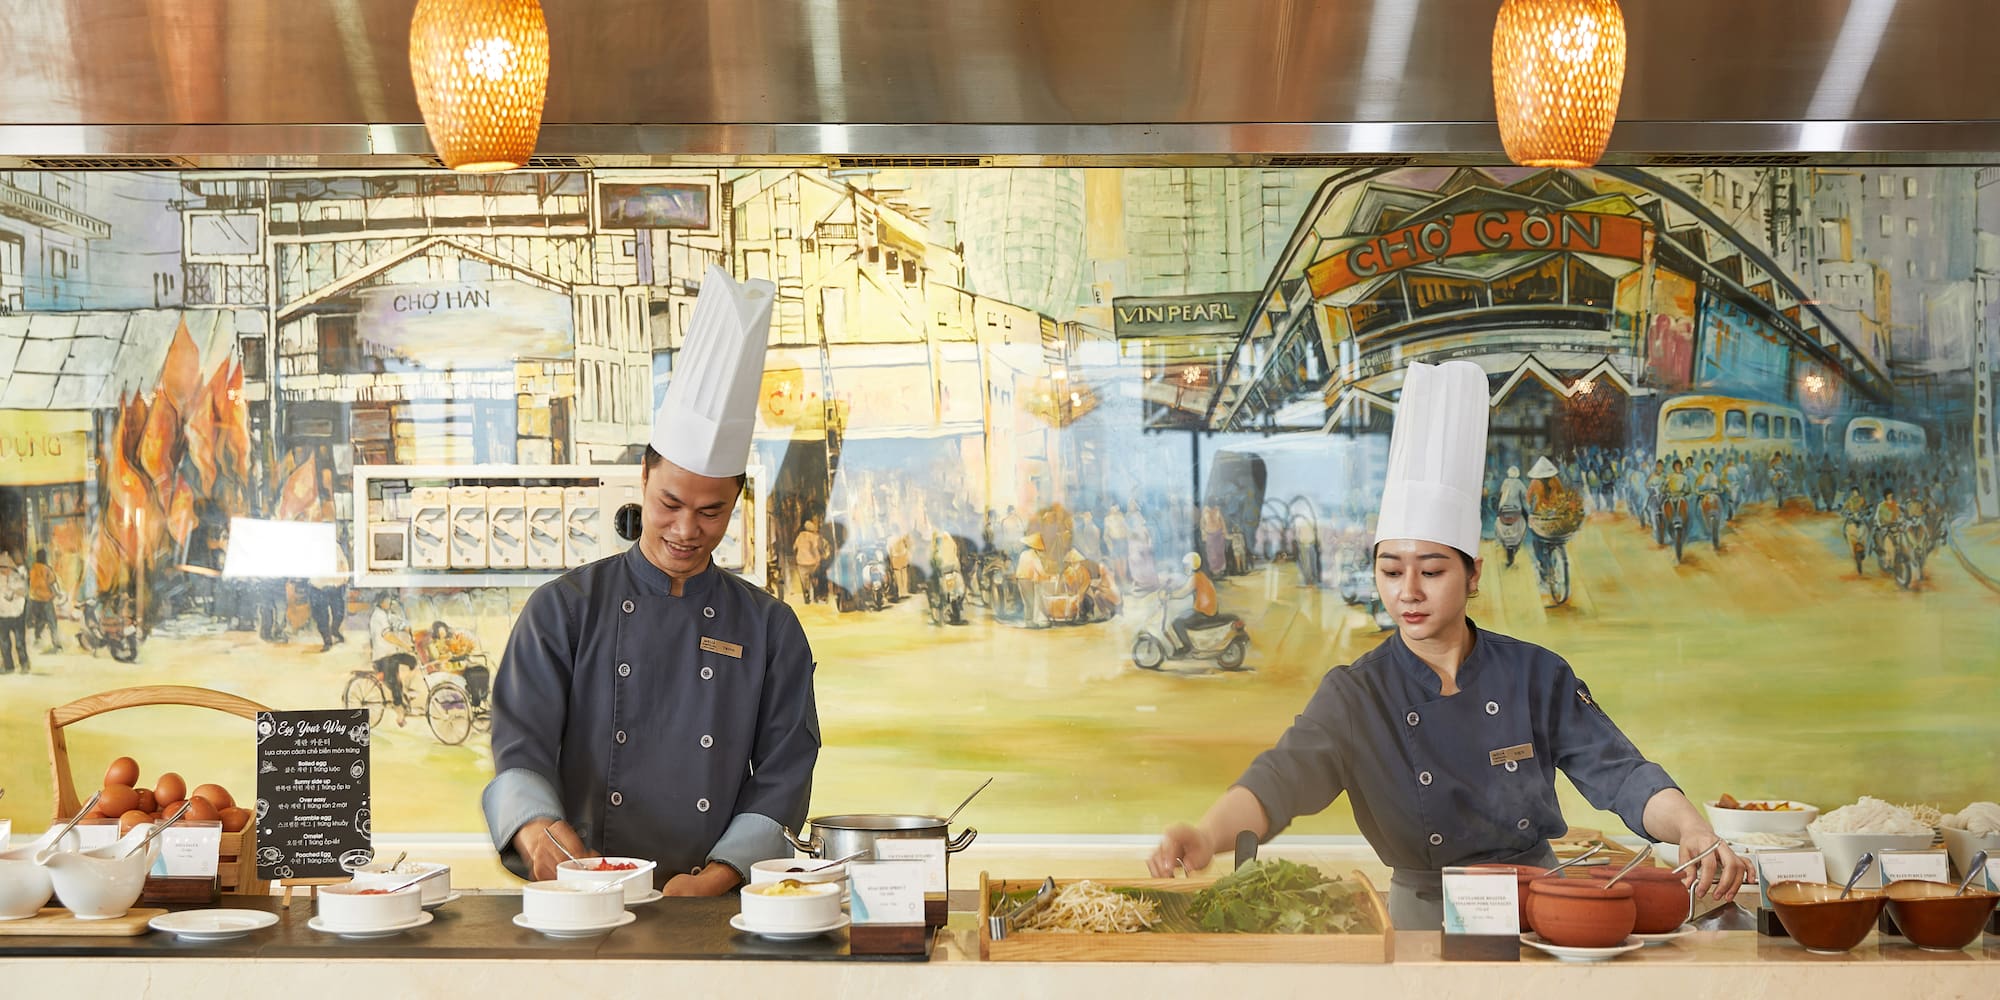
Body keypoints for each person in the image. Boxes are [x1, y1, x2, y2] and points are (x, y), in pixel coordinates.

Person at [1147, 360, 1746, 930]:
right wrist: (1205, 835)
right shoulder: (1358, 694)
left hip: (1540, 906)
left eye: (1431, 571)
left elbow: (1620, 773)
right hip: (1422, 916)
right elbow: (1279, 780)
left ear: (1473, 574)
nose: (1408, 591)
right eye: (1390, 570)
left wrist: (1690, 829)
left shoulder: (1535, 674)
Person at [484, 267, 819, 895]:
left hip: (713, 901)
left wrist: (721, 875)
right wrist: (539, 834)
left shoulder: (770, 628)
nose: (687, 530)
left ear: (737, 500)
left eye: (712, 511)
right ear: (644, 476)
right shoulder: (563, 610)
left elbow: (785, 768)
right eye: (670, 503)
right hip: (583, 893)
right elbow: (520, 743)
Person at [367, 594, 416, 726]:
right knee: (395, 684)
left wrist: (407, 628)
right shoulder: (378, 616)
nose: (389, 603)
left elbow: (396, 622)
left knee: (412, 661)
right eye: (387, 601)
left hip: (391, 654)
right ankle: (400, 715)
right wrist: (405, 646)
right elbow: (388, 635)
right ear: (381, 602)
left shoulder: (386, 613)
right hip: (382, 657)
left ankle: (406, 689)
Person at [1168, 553, 1228, 653]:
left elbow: (1183, 592)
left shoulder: (1195, 577)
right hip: (1208, 610)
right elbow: (1185, 588)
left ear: (1191, 566)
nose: (1184, 568)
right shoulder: (1201, 576)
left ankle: (1187, 648)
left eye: (1186, 566)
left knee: (1177, 623)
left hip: (1204, 612)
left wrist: (1169, 596)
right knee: (1184, 614)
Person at [27, 548, 62, 652]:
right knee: (52, 622)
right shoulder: (47, 569)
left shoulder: (32, 569)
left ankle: (37, 639)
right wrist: (57, 594)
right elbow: (53, 583)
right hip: (46, 599)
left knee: (39, 620)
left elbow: (29, 583)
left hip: (34, 599)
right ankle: (56, 644)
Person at [0, 553, 28, 674]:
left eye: (4, 567)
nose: (2, 570)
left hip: (17, 614)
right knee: (4, 642)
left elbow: (24, 591)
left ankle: (24, 664)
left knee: (20, 642)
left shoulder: (16, 577)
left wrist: (13, 592)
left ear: (10, 567)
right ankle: (8, 666)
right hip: (2, 615)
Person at [1015, 533, 1050, 627]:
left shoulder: (1024, 553)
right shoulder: (1034, 556)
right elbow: (1040, 570)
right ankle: (1029, 622)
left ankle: (1029, 621)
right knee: (1030, 601)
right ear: (1037, 548)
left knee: (1027, 601)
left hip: (1021, 579)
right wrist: (1048, 577)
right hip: (1027, 579)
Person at [792, 519, 827, 605]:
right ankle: (815, 596)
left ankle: (806, 596)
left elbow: (794, 547)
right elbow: (819, 549)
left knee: (804, 581)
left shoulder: (800, 536)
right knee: (814, 579)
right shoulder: (816, 537)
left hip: (801, 562)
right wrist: (821, 557)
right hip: (813, 562)